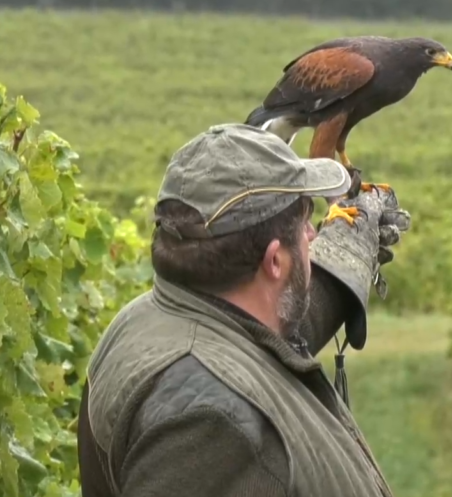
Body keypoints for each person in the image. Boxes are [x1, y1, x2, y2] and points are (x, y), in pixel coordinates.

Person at [76, 122, 412, 497]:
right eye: (304, 222)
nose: (313, 235)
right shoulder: (214, 425)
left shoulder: (146, 320)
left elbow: (260, 344)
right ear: (274, 261)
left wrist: (346, 256)